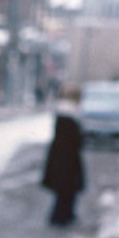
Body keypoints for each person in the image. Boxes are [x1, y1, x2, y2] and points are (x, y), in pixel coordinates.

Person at [41, 90, 84, 226]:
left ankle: (64, 216)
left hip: (63, 160)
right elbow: (76, 141)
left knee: (65, 191)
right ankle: (61, 217)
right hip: (67, 162)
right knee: (66, 191)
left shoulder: (64, 117)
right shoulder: (69, 118)